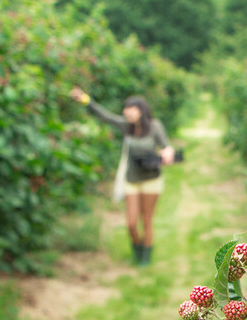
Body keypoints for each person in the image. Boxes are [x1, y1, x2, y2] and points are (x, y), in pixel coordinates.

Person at [70, 86, 174, 265]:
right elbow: (105, 116)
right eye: (126, 109)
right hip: (132, 180)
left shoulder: (155, 126)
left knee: (146, 220)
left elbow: (166, 145)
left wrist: (167, 153)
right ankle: (138, 249)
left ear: (141, 110)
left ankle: (145, 258)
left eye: (131, 109)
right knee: (131, 223)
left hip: (151, 179)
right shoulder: (126, 126)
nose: (127, 112)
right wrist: (86, 100)